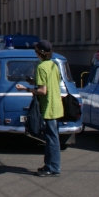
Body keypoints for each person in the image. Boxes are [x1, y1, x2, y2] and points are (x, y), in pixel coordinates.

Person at [15, 40, 63, 177]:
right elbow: (52, 83)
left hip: (48, 106)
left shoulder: (41, 67)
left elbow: (42, 91)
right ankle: (50, 164)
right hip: (56, 104)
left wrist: (27, 88)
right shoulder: (54, 65)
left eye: (36, 49)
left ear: (39, 52)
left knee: (52, 138)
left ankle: (53, 167)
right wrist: (34, 82)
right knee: (52, 137)